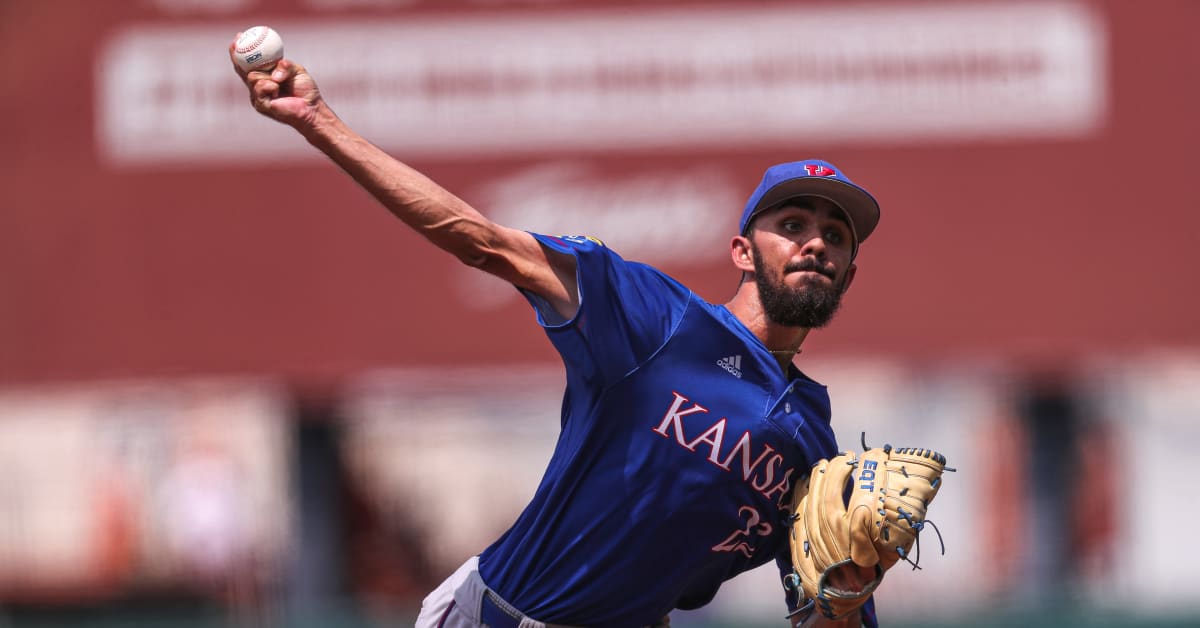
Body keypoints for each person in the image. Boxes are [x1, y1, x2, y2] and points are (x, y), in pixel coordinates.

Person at [230, 40, 883, 628]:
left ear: (849, 277)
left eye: (834, 236)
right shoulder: (656, 319)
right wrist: (319, 122)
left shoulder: (815, 450)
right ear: (742, 251)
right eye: (793, 224)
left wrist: (846, 597)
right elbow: (479, 240)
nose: (815, 243)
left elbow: (817, 618)